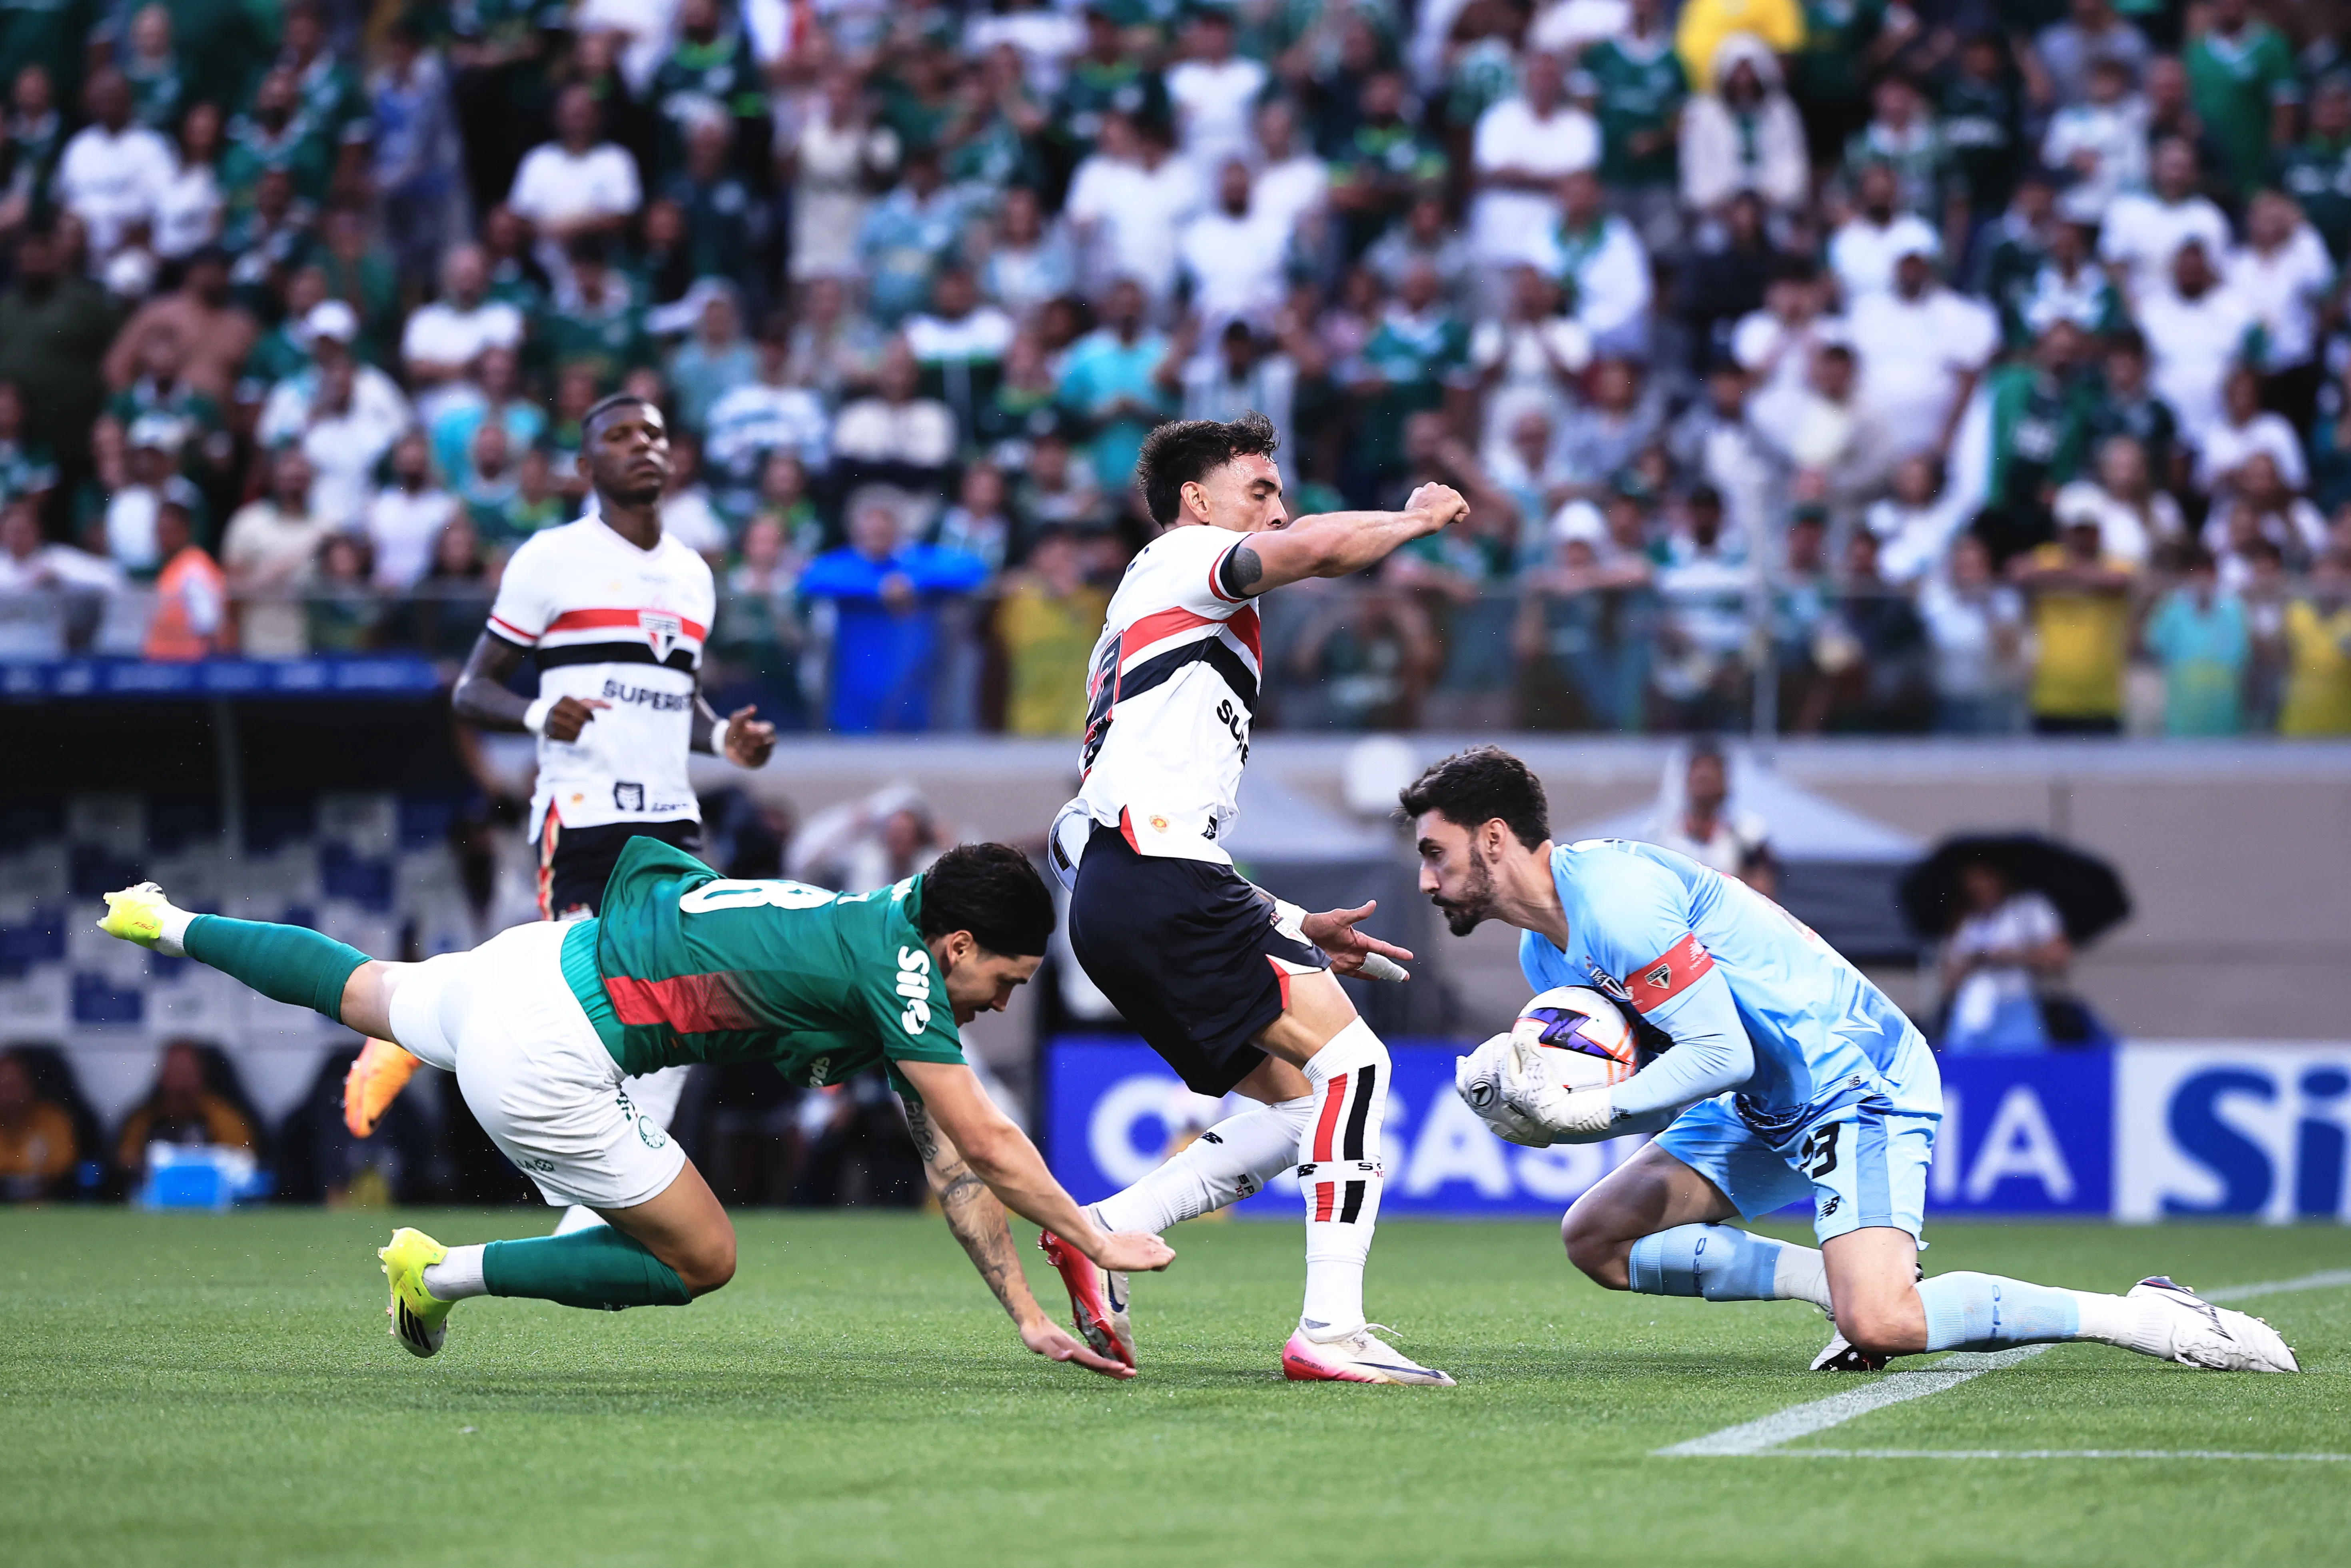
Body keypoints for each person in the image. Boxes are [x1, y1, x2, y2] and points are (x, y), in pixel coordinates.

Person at [1399, 744, 2299, 1374]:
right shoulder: (1544, 959)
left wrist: (1584, 1115)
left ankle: (2143, 1316)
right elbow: (1681, 1068)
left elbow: (1717, 1049)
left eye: (1435, 853)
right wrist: (1543, 1113)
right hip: (1757, 1095)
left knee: (1888, 1319)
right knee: (1595, 1237)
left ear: (1491, 837)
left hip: (1851, 1080)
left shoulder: (1619, 900)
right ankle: (1829, 1289)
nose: (1426, 881)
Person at [99, 843, 1172, 1371]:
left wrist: (1029, 1315)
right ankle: (433, 1274)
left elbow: (951, 1160)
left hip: (536, 962)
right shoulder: (902, 979)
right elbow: (984, 1137)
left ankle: (168, 920)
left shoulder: (889, 919)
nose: (997, 1004)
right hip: (552, 1054)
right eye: (1005, 984)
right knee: (703, 1257)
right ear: (959, 949)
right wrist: (1094, 1237)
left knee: (359, 985)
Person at [1039, 411, 1468, 1386]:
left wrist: (1288, 921)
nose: (1280, 507)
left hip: (1129, 888)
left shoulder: (1175, 610)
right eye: (1260, 489)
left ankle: (1108, 1228)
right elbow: (1317, 548)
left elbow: (1158, 813)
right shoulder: (1188, 555)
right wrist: (1411, 520)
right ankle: (1332, 1329)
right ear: (1196, 502)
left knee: (1298, 1107)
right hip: (1152, 879)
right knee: (1356, 1063)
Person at [343, 394, 778, 1238]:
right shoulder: (551, 559)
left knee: (684, 1014)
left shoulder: (692, 572)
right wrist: (543, 715)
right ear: (587, 468)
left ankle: (600, 1208)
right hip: (581, 820)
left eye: (653, 432)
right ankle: (418, 1019)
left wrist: (725, 734)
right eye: (619, 436)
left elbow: (669, 694)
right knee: (585, 1004)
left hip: (673, 821)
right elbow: (472, 688)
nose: (641, 446)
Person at [1936, 851, 2073, 1053]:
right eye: (1971, 877)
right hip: (1973, 1010)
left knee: (2023, 1068)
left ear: (1999, 877)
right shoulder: (1965, 919)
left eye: (1983, 876)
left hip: (2017, 1004)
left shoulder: (2028, 909)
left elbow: (2060, 955)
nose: (1976, 884)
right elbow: (1948, 982)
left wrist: (2013, 956)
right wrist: (1973, 961)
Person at [1644, 740, 1766, 879]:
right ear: (1686, 780)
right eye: (1699, 773)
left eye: (1713, 771)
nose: (1705, 776)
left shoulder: (1747, 838)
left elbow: (1762, 892)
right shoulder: (1660, 838)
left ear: (1726, 782)